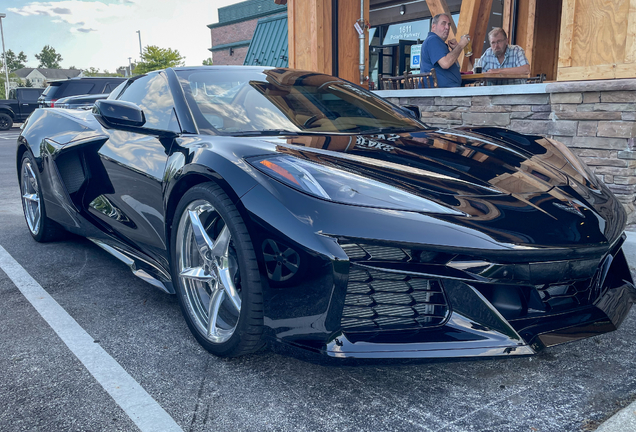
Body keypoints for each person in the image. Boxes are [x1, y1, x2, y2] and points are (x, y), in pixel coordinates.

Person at [420, 13, 470, 88]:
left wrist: (454, 49)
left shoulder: (438, 42)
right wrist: (460, 45)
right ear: (433, 27)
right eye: (443, 24)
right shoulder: (433, 40)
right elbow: (446, 64)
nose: (447, 27)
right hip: (440, 93)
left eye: (449, 24)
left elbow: (451, 65)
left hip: (446, 90)